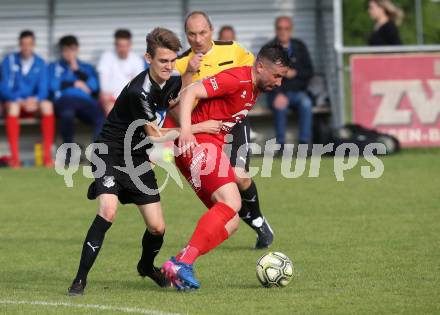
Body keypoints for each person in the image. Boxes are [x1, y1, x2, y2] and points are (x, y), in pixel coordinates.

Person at [67, 27, 223, 296]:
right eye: (163, 61)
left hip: (137, 156)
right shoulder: (139, 91)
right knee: (108, 211)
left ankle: (147, 266)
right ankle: (79, 280)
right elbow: (155, 133)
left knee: (157, 227)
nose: (168, 66)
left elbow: (184, 94)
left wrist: (188, 72)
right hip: (110, 151)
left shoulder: (171, 79)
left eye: (172, 61)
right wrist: (198, 128)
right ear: (148, 58)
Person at [162, 43, 289, 290]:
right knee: (233, 203)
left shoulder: (253, 89)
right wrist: (187, 131)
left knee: (230, 223)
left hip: (203, 147)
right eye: (277, 76)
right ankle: (184, 263)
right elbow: (189, 93)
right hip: (198, 143)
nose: (279, 82)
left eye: (282, 77)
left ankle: (176, 264)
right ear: (260, 67)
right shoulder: (238, 79)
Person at [164, 11, 274, 249]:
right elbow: (173, 106)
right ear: (186, 36)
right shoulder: (181, 64)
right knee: (225, 192)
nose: (198, 39)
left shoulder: (232, 49)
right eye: (191, 34)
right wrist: (189, 74)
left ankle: (258, 220)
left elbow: (256, 76)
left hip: (232, 124)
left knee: (239, 177)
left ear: (211, 30)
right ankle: (253, 223)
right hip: (203, 130)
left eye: (202, 32)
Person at [0, 30, 54, 168]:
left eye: (29, 44)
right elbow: (3, 87)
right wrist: (18, 99)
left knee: (47, 105)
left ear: (34, 45)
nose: (26, 47)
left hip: (33, 105)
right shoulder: (9, 61)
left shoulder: (40, 63)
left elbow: (44, 88)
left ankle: (47, 158)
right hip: (15, 104)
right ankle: (15, 159)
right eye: (24, 44)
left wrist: (35, 100)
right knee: (13, 107)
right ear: (20, 45)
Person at [266, 16, 314, 150]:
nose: (283, 32)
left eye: (286, 29)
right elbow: (264, 77)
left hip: (298, 92)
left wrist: (295, 73)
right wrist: (278, 93)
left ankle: (304, 144)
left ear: (291, 30)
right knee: (280, 104)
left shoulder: (299, 46)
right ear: (275, 30)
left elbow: (309, 71)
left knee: (306, 103)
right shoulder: (269, 49)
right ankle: (280, 146)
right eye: (280, 28)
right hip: (277, 92)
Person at [48, 35, 103, 146]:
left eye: (72, 50)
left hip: (84, 101)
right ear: (61, 51)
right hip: (65, 100)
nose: (69, 53)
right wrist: (75, 83)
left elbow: (94, 86)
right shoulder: (54, 67)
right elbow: (52, 85)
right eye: (66, 50)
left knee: (100, 117)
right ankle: (69, 154)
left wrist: (77, 70)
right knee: (67, 115)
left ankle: (97, 154)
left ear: (77, 50)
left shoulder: (86, 67)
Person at [97, 29, 145, 116]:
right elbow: (104, 85)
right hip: (110, 99)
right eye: (120, 46)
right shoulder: (106, 57)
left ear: (130, 45)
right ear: (115, 45)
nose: (123, 49)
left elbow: (138, 85)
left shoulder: (137, 60)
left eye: (125, 45)